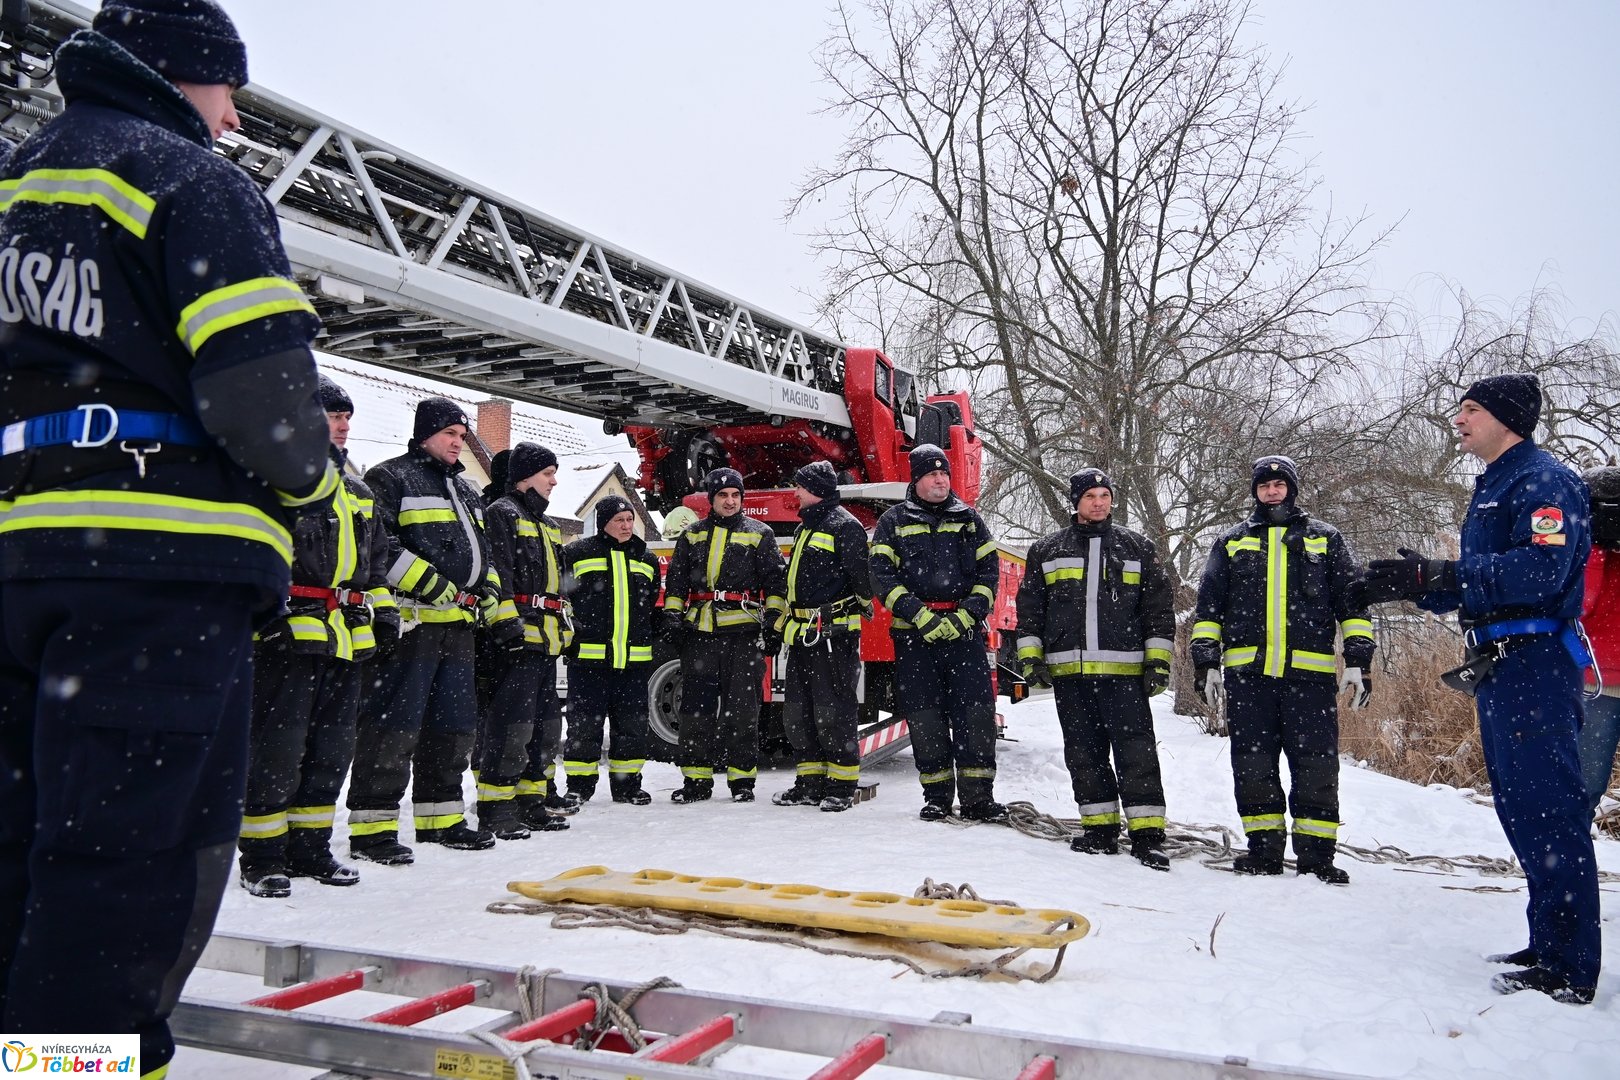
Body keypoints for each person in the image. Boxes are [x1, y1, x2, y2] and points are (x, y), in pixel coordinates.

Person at [0, 0, 336, 1070]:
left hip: (21, 561)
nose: (232, 117)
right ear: (179, 72)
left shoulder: (15, 184)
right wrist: (308, 475)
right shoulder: (188, 180)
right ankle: (71, 1067)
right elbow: (269, 411)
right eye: (229, 88)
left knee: (19, 836)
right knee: (130, 855)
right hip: (156, 573)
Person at [1364, 374, 1599, 1004]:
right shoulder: (1494, 484)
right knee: (1521, 807)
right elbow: (1480, 585)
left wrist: (1448, 572)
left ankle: (1571, 967)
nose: (1459, 419)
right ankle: (1547, 944)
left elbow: (1541, 569)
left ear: (1507, 418)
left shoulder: (1544, 481)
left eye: (1471, 409)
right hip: (1499, 662)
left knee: (1549, 807)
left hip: (1536, 660)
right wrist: (1417, 582)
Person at [238, 376, 397, 897]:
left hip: (346, 639)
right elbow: (255, 552)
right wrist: (267, 618)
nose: (343, 425)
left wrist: (384, 615)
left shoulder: (358, 492)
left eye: (347, 416)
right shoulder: (276, 478)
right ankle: (262, 856)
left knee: (331, 750)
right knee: (277, 750)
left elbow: (375, 567)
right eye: (333, 415)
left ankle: (310, 848)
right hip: (289, 638)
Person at [346, 397, 517, 863]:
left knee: (453, 728)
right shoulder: (390, 477)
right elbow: (380, 546)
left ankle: (441, 820)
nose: (458, 443)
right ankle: (373, 829)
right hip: (412, 627)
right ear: (425, 434)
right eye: (450, 434)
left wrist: (488, 590)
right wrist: (433, 584)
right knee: (393, 728)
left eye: (462, 436)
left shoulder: (465, 489)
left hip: (458, 630)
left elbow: (484, 553)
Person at [1190, 455, 1373, 885]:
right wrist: (1206, 663)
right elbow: (1209, 609)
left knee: (1317, 767)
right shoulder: (1231, 542)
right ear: (1255, 491)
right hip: (1248, 677)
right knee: (1253, 765)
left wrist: (1359, 660)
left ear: (1292, 488)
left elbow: (1353, 606)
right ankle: (1264, 852)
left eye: (1279, 484)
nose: (1272, 492)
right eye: (1264, 485)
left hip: (1309, 679)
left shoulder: (1325, 538)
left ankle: (1316, 858)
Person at [1015, 470, 1175, 869]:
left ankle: (1148, 837)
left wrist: (1158, 661)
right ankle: (1099, 831)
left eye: (1105, 495)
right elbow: (1031, 610)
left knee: (1136, 753)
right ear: (1075, 502)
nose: (1099, 502)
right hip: (1072, 677)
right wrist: (1031, 658)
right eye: (1090, 496)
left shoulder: (1138, 548)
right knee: (1083, 753)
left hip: (1126, 677)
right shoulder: (1047, 550)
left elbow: (1157, 610)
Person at [870, 445, 1006, 823]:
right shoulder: (893, 522)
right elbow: (882, 577)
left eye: (944, 473)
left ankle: (979, 798)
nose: (940, 479)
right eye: (932, 474)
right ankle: (937, 797)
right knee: (925, 717)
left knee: (975, 715)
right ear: (916, 479)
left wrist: (965, 616)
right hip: (915, 638)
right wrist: (921, 616)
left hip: (964, 635)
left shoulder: (970, 520)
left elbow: (988, 575)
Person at [663, 468, 787, 804]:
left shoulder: (760, 533)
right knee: (695, 711)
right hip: (700, 635)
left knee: (743, 711)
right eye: (723, 496)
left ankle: (742, 781)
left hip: (743, 636)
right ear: (711, 499)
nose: (730, 502)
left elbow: (776, 585)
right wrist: (672, 616)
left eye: (735, 495)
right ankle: (696, 781)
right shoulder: (692, 535)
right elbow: (676, 583)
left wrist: (772, 624)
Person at [473, 442, 575, 837]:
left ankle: (532, 803)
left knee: (545, 728)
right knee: (510, 728)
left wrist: (568, 625)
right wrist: (506, 625)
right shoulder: (502, 513)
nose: (554, 481)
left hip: (546, 643)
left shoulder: (548, 525)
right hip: (518, 643)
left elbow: (560, 584)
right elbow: (497, 573)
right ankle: (497, 809)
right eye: (547, 473)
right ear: (524, 477)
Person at [770, 461, 873, 812]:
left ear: (814, 489)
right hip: (804, 636)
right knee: (799, 714)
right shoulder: (805, 528)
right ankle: (809, 784)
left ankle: (841, 787)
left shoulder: (846, 526)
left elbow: (863, 584)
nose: (795, 492)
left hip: (832, 636)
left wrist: (843, 616)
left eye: (799, 486)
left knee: (834, 712)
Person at [559, 496, 662, 804]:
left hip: (633, 662)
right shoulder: (576, 553)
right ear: (604, 522)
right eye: (619, 520)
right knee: (584, 726)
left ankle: (627, 785)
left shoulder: (646, 558)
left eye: (630, 519)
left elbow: (650, 603)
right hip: (588, 660)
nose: (627, 526)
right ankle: (579, 786)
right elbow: (562, 598)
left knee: (632, 726)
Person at [1577, 465, 1620, 815]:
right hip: (1598, 683)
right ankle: (1568, 845)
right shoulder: (1580, 546)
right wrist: (1595, 547)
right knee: (1583, 788)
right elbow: (1579, 605)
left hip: (1598, 678)